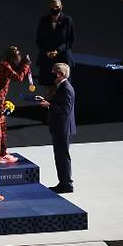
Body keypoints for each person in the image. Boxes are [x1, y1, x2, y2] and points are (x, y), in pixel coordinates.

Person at [37, 63, 76, 193]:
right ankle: (63, 182)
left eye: (55, 73)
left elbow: (65, 110)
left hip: (62, 127)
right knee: (59, 156)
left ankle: (67, 184)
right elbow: (59, 103)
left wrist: (49, 104)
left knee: (62, 156)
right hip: (59, 127)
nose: (53, 75)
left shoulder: (66, 88)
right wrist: (47, 101)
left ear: (61, 74)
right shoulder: (61, 87)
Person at [0, 46, 31, 161]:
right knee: (1, 127)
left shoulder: (2, 63)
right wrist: (26, 65)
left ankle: (0, 152)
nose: (18, 60)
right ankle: (1, 154)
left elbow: (15, 70)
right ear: (12, 58)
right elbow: (18, 77)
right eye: (17, 58)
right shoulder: (5, 66)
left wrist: (23, 63)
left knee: (0, 126)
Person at [35, 0, 75, 93]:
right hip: (47, 59)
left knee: (63, 90)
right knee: (49, 90)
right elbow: (39, 40)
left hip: (63, 59)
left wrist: (58, 51)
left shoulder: (67, 20)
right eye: (52, 7)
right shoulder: (44, 20)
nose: (55, 9)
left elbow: (70, 40)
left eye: (57, 7)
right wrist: (46, 51)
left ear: (61, 7)